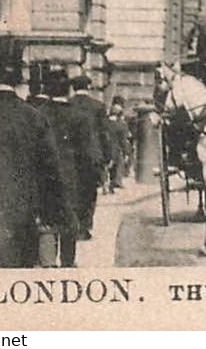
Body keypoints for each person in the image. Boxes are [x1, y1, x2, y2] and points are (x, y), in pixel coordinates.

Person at [0, 39, 69, 267]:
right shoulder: (33, 118)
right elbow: (50, 172)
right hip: (20, 223)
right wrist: (53, 215)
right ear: (20, 78)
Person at [37, 67, 87, 266]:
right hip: (71, 178)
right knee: (69, 221)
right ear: (68, 90)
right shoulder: (79, 116)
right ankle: (67, 263)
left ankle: (48, 264)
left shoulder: (38, 114)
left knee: (47, 222)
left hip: (44, 177)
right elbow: (86, 154)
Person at [66, 77, 107, 238]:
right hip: (92, 155)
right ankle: (84, 226)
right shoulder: (98, 106)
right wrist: (106, 156)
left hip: (71, 154)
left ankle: (73, 223)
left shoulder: (68, 104)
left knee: (72, 190)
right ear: (88, 87)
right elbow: (104, 134)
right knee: (89, 191)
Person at [103, 97, 131, 194]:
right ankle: (115, 182)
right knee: (118, 162)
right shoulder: (121, 124)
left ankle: (107, 183)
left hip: (106, 146)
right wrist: (126, 152)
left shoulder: (105, 121)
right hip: (116, 148)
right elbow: (123, 140)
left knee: (107, 166)